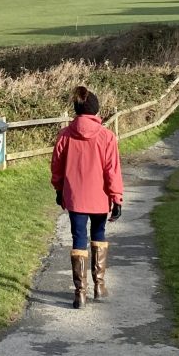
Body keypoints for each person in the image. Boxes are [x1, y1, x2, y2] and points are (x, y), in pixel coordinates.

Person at [51, 86, 124, 309]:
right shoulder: (107, 136)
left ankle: (79, 293)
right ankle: (99, 286)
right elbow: (112, 170)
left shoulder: (65, 135)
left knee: (78, 238)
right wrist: (117, 198)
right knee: (99, 234)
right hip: (100, 198)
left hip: (75, 197)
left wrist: (59, 189)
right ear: (95, 109)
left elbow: (57, 167)